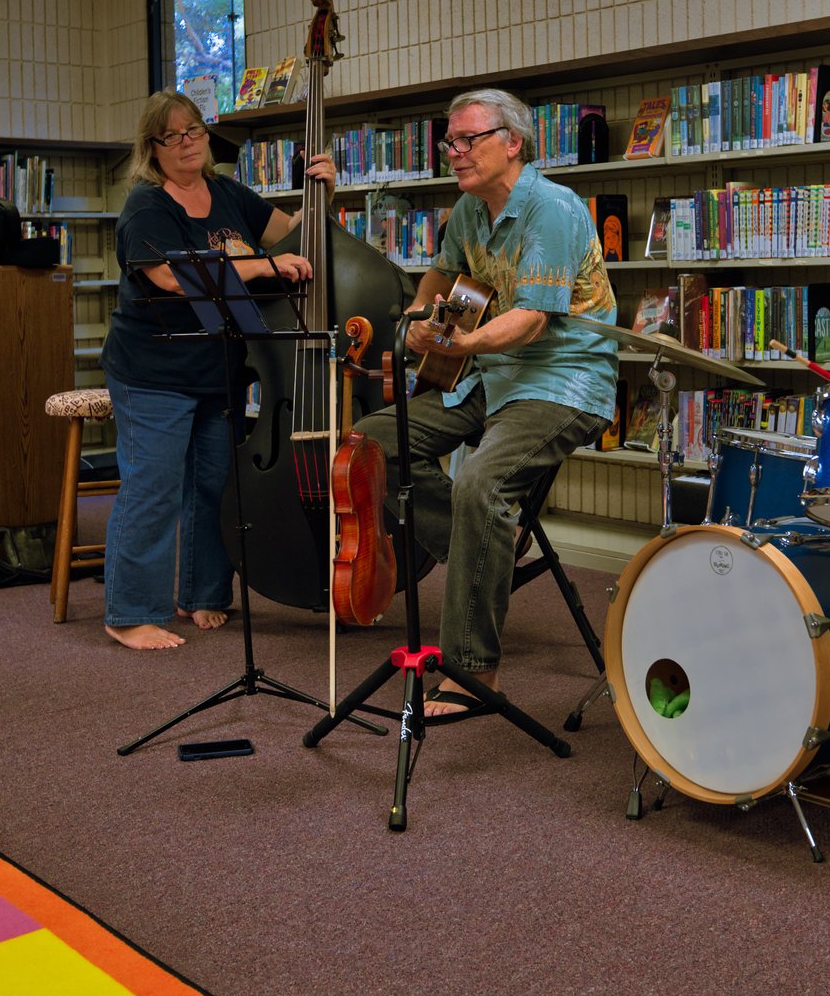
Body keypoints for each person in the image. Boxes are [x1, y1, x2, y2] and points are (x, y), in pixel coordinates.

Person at [355, 89, 618, 718]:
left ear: (513, 143)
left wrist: (464, 340)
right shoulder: (469, 211)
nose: (455, 152)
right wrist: (421, 316)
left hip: (562, 381)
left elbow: (530, 321)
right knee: (370, 443)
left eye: (468, 139)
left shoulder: (551, 209)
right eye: (450, 142)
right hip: (490, 377)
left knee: (478, 483)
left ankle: (475, 672)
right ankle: (487, 538)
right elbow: (442, 281)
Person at [102, 89, 334, 650]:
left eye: (196, 131)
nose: (188, 143)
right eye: (173, 136)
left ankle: (202, 594)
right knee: (153, 488)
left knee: (214, 485)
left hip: (221, 367)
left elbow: (294, 233)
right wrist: (261, 266)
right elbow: (166, 278)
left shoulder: (229, 192)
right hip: (154, 369)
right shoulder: (147, 204)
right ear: (152, 148)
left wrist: (322, 189)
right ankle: (129, 612)